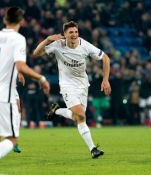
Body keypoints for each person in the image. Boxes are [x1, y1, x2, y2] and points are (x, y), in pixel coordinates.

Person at [0, 7, 50, 175]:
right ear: (21, 22)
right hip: (3, 96)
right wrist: (41, 78)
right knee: (12, 140)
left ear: (4, 20)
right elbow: (20, 65)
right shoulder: (18, 39)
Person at [33, 21, 111, 158]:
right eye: (71, 32)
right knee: (81, 115)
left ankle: (56, 110)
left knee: (77, 117)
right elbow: (36, 53)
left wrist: (105, 80)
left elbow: (105, 58)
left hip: (83, 85)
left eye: (76, 32)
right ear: (65, 35)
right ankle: (93, 149)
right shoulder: (57, 45)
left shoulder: (84, 45)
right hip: (67, 85)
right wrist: (47, 40)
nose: (74, 35)